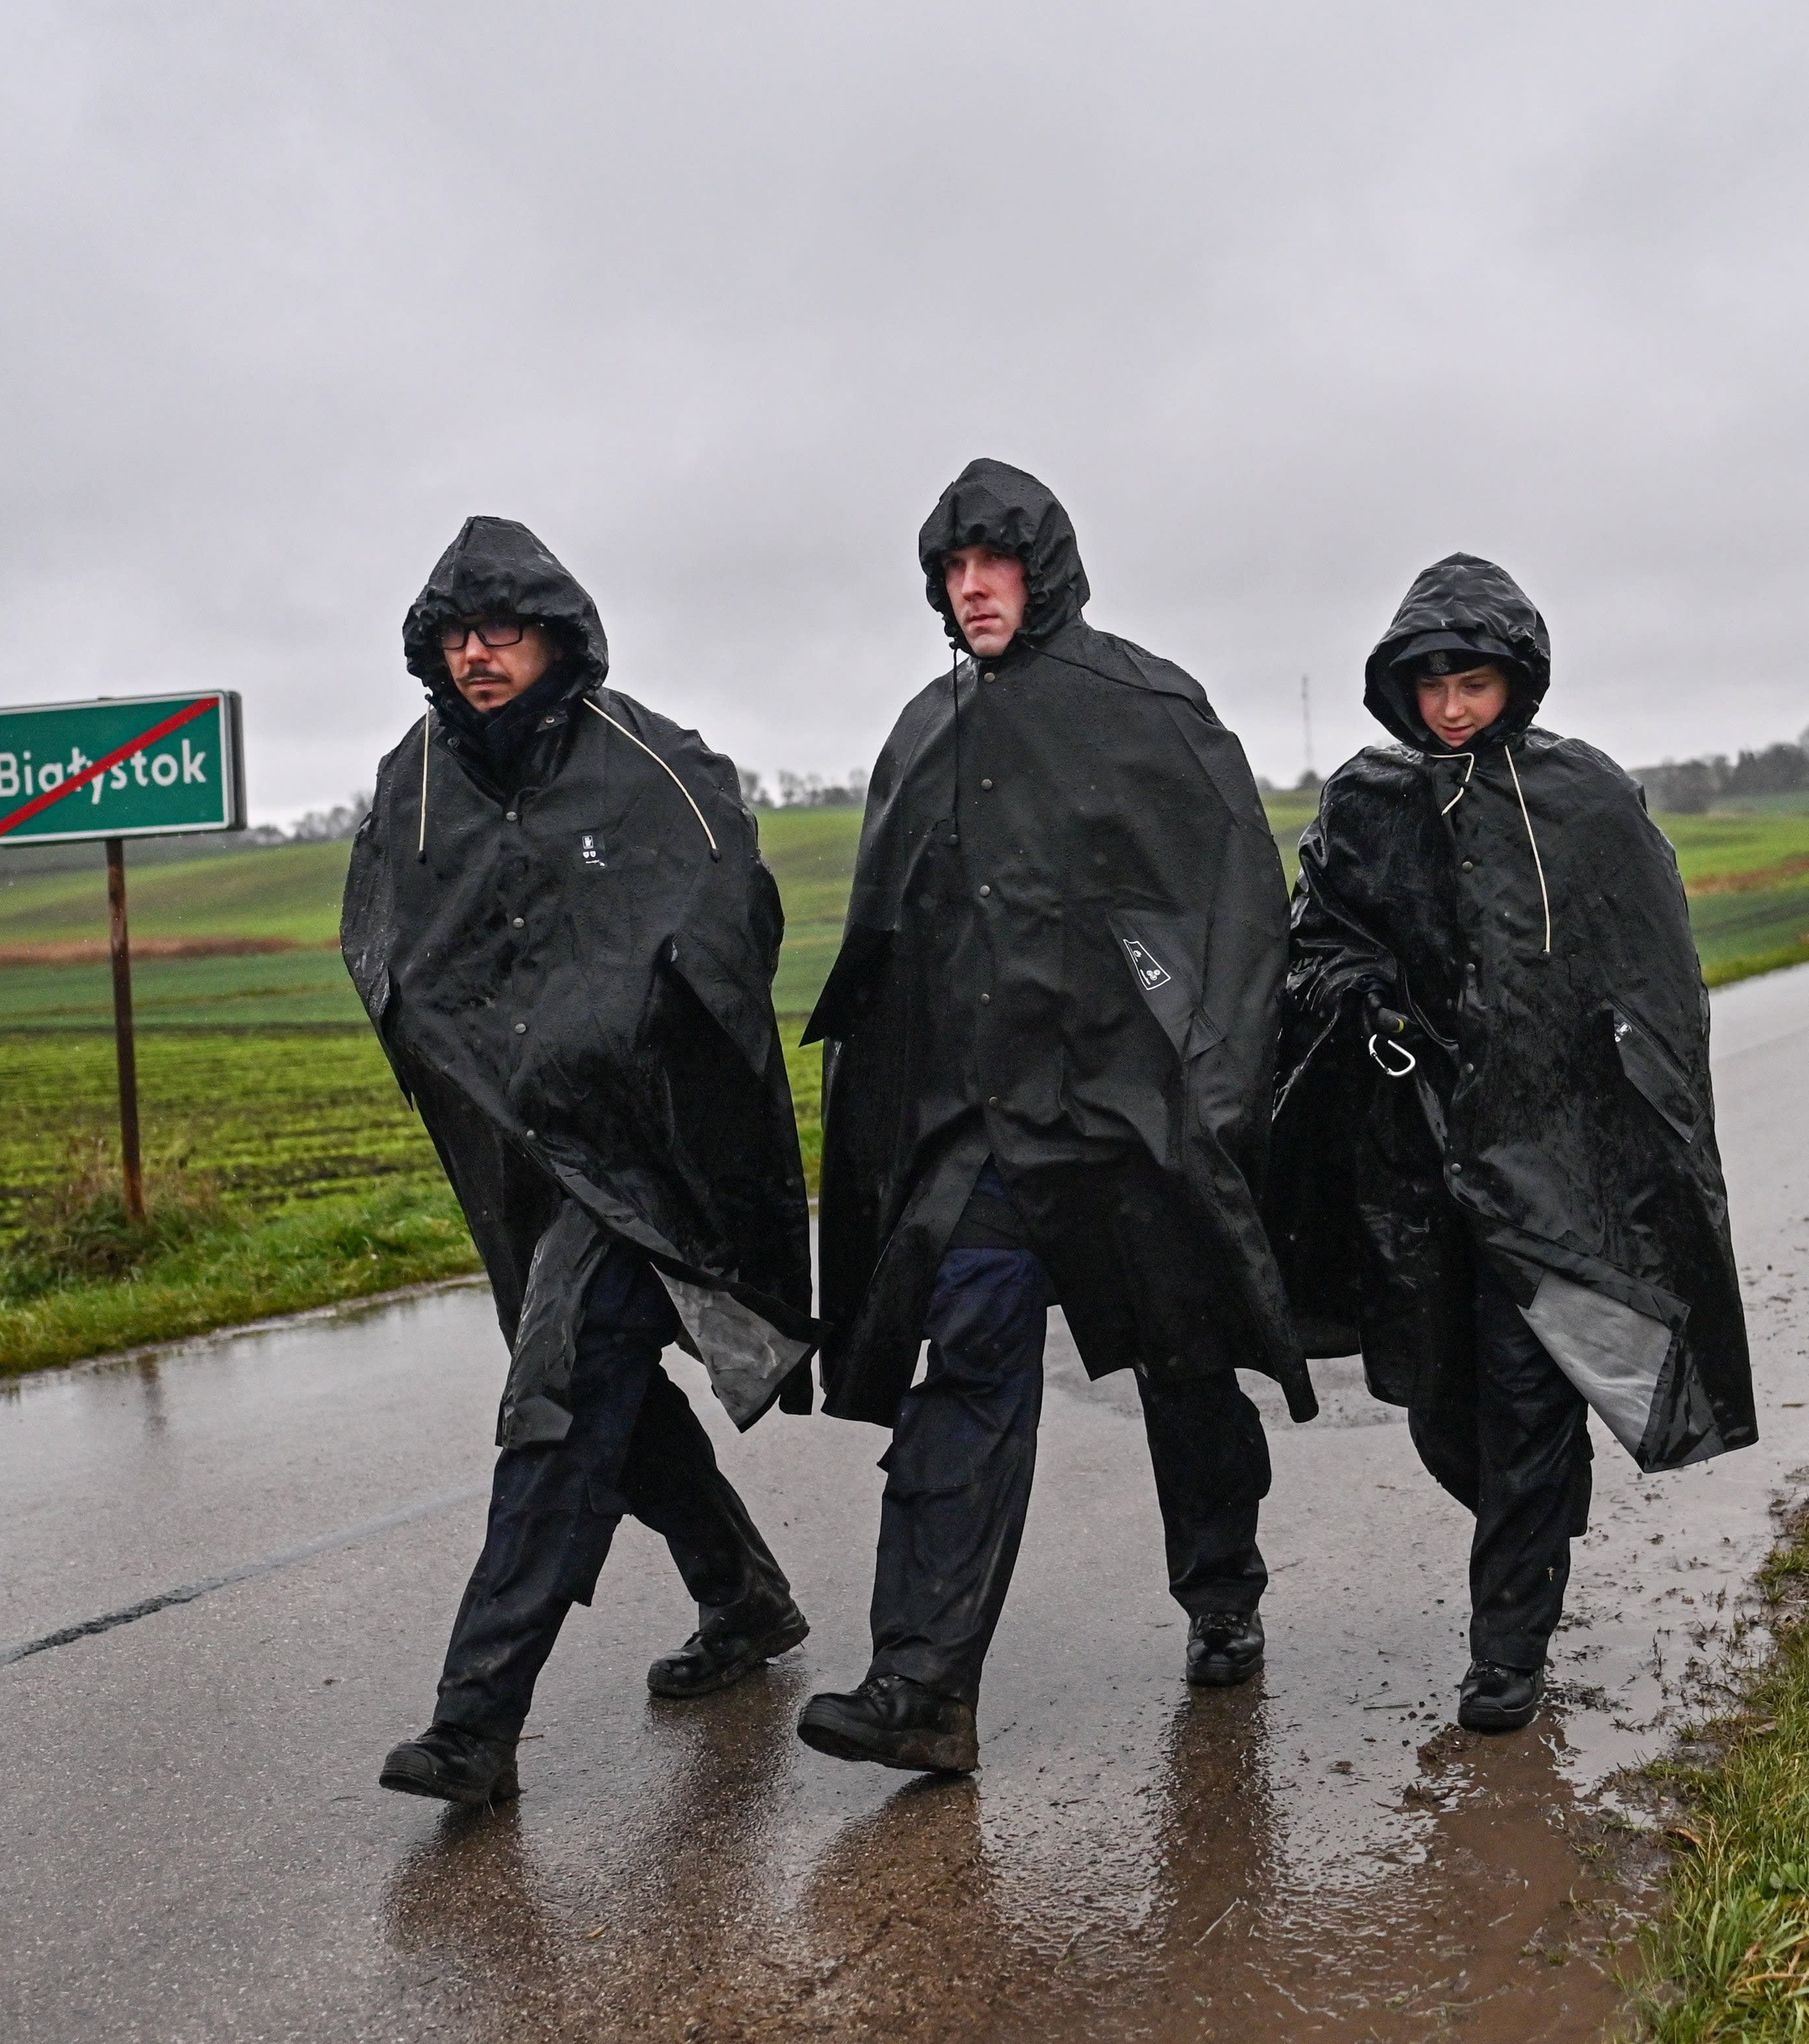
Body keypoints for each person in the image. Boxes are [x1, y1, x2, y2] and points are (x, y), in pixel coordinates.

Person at [793, 460, 1311, 1775]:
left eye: (996, 562)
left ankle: (1222, 1587)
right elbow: (892, 943)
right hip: (988, 1135)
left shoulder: (1148, 707)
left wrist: (1212, 1100)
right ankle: (921, 1684)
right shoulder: (927, 728)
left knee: (1185, 1363)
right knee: (968, 1359)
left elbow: (1237, 908)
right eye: (953, 567)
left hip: (1129, 1122)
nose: (973, 587)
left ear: (1045, 570)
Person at [342, 516, 817, 1808]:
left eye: (501, 629)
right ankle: (742, 1591)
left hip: (646, 1149)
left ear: (557, 633)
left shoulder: (646, 762)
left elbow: (729, 916)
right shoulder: (416, 781)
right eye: (456, 634)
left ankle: (474, 1719)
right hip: (521, 1156)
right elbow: (385, 942)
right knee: (607, 1390)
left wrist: (628, 1041)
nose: (477, 654)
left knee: (557, 1391)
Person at [1267, 554, 1756, 1734]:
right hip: (1418, 1162)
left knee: (1527, 1389)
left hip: (1551, 1157)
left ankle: (1507, 1653)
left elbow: (1650, 972)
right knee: (1449, 1400)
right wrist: (1365, 996)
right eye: (1430, 684)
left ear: (1514, 680)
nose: (1450, 707)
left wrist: (1628, 1119)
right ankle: (1533, 1522)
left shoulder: (1584, 799)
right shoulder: (1365, 802)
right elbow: (1314, 940)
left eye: (1472, 682)